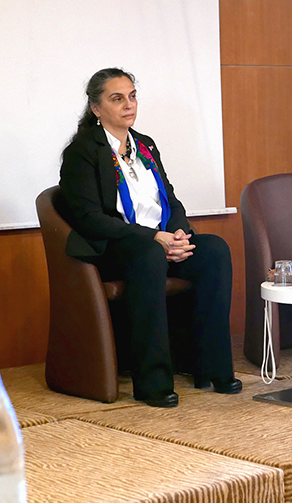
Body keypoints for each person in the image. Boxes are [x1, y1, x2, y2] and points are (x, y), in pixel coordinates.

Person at [56, 68, 239, 408]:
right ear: (96, 108)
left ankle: (213, 368)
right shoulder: (83, 151)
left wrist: (179, 234)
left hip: (159, 241)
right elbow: (90, 219)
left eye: (132, 96)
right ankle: (152, 382)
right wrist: (154, 238)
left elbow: (171, 199)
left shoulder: (145, 145)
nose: (129, 105)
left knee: (214, 250)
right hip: (116, 246)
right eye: (117, 98)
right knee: (148, 253)